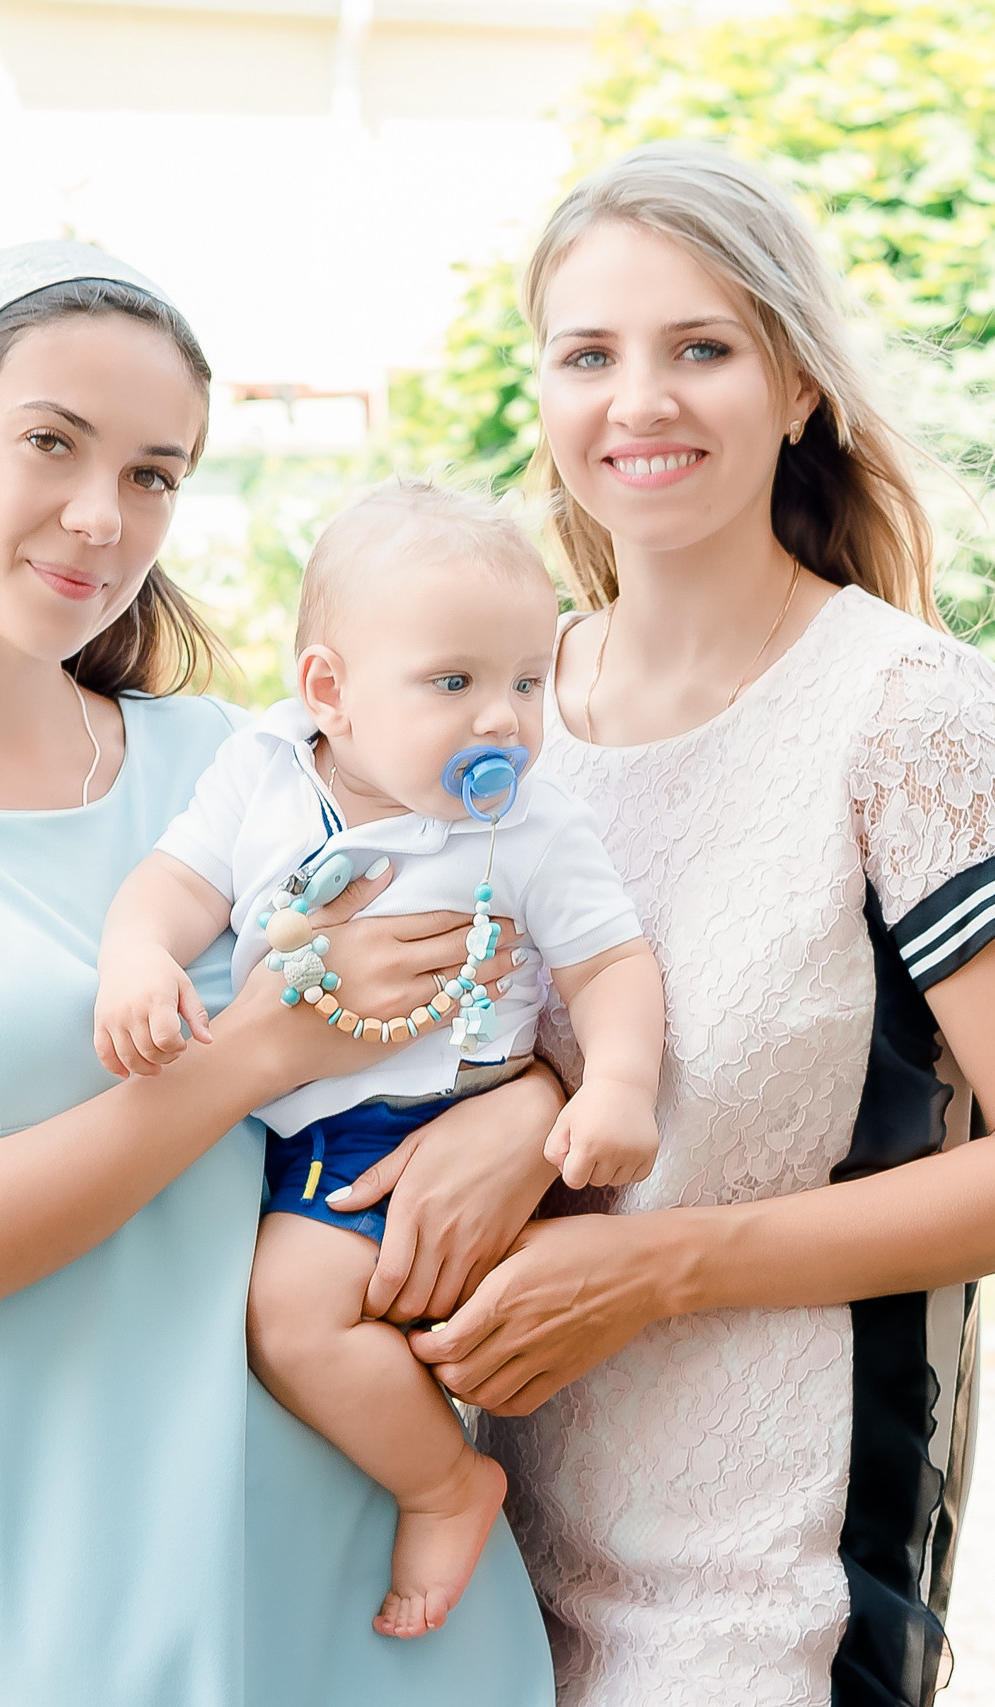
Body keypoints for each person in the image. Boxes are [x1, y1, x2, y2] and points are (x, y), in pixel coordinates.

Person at [0, 242, 555, 1707]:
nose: (105, 514)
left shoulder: (245, 763)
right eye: (50, 442)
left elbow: (507, 986)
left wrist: (521, 1118)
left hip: (392, 1584)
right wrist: (256, 1052)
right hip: (91, 1605)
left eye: (156, 472)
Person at [380, 143, 995, 1706]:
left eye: (701, 348)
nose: (638, 400)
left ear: (797, 384)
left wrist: (656, 1269)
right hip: (466, 1584)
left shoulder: (910, 715)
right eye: (589, 354)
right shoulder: (494, 724)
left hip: (769, 1595)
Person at [93, 479, 664, 1641]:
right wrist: (138, 961)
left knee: (295, 1314)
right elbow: (173, 888)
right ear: (329, 693)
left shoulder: (528, 827)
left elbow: (613, 966)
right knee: (220, 1283)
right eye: (453, 684)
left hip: (449, 1115)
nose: (502, 721)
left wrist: (615, 1085)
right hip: (295, 1129)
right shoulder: (258, 776)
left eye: (523, 681)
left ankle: (445, 1487)